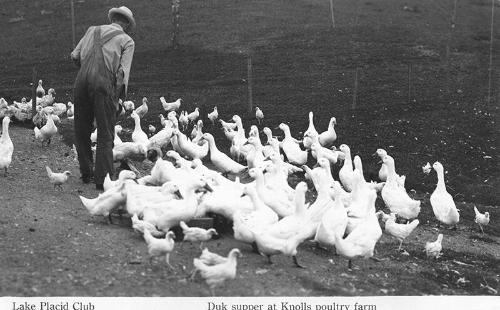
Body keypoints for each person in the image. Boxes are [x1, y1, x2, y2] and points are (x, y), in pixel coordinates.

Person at [70, 6, 135, 190]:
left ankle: (86, 173)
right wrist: (116, 99)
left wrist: (86, 71)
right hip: (103, 84)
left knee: (82, 129)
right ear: (127, 24)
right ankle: (103, 179)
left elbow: (75, 56)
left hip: (81, 82)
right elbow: (122, 73)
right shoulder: (127, 40)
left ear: (112, 19)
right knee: (105, 132)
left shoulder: (92, 30)